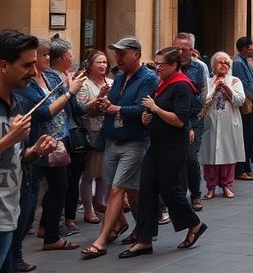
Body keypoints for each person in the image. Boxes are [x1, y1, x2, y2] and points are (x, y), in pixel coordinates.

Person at [117, 48, 206, 258]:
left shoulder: (182, 86)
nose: (157, 68)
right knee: (146, 190)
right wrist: (146, 118)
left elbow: (180, 120)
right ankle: (144, 241)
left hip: (173, 146)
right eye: (156, 63)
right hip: (156, 145)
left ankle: (195, 224)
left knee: (169, 190)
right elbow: (154, 111)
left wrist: (155, 109)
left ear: (174, 65)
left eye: (161, 64)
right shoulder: (162, 83)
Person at [81, 37, 158, 259]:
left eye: (122, 54)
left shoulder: (148, 78)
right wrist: (102, 103)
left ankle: (102, 239)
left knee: (117, 189)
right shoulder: (120, 77)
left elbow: (141, 107)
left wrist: (115, 108)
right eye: (117, 54)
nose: (118, 59)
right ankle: (141, 230)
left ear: (137, 54)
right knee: (131, 192)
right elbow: (113, 105)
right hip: (112, 141)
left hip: (134, 143)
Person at [16, 37, 85, 251]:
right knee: (28, 198)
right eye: (44, 55)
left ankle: (50, 233)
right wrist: (70, 91)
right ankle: (16, 252)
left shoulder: (50, 76)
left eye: (48, 54)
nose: (48, 58)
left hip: (57, 142)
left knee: (59, 187)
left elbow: (70, 106)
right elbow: (44, 113)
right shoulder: (23, 84)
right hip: (36, 144)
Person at [0, 32, 57, 267]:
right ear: (4, 66)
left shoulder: (20, 104)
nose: (34, 72)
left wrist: (34, 152)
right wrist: (9, 139)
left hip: (11, 215)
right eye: (27, 65)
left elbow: (15, 157)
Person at [200, 52, 245, 199]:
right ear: (213, 65)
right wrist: (214, 90)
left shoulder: (235, 81)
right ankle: (211, 187)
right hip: (211, 121)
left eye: (226, 62)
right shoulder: (207, 82)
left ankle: (227, 186)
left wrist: (226, 88)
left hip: (229, 122)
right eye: (220, 62)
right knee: (209, 155)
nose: (224, 64)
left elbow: (240, 101)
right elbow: (203, 101)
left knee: (228, 153)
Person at [75, 50, 112, 225]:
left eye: (105, 62)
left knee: (104, 174)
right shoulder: (84, 84)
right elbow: (82, 110)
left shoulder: (111, 82)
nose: (103, 65)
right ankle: (88, 209)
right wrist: (100, 97)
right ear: (89, 65)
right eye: (99, 62)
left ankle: (101, 202)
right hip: (90, 133)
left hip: (108, 133)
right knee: (89, 173)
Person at [173, 32, 206, 212]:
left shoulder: (199, 68)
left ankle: (195, 194)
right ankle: (178, 195)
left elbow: (203, 94)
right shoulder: (169, 65)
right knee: (177, 158)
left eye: (182, 49)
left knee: (191, 158)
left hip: (193, 119)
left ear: (191, 50)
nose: (179, 51)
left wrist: (196, 118)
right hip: (174, 118)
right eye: (176, 47)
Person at [231, 37, 253, 181]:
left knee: (250, 137)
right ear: (243, 48)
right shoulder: (237, 63)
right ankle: (241, 169)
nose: (252, 49)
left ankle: (247, 167)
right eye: (250, 46)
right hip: (246, 104)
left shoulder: (246, 62)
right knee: (245, 137)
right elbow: (243, 84)